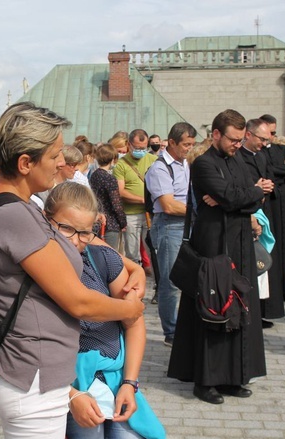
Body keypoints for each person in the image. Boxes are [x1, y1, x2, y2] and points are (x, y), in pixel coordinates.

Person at [0, 101, 145, 439]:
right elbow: (77, 299)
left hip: (33, 370)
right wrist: (130, 309)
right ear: (24, 163)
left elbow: (65, 242)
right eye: (54, 155)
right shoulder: (14, 214)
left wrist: (125, 262)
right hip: (33, 373)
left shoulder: (16, 205)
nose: (62, 163)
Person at [46, 183, 166, 439]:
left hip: (114, 381)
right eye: (66, 229)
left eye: (85, 232)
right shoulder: (38, 269)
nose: (76, 241)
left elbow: (134, 322)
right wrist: (69, 395)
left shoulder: (102, 259)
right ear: (46, 220)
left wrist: (130, 383)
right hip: (69, 386)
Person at [168, 109, 269, 405]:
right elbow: (232, 195)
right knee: (213, 308)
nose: (238, 145)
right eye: (233, 139)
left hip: (240, 244)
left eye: (241, 139)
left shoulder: (239, 160)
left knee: (241, 306)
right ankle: (206, 380)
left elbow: (252, 196)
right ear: (216, 134)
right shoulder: (203, 164)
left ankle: (234, 376)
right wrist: (241, 195)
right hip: (213, 244)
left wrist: (243, 195)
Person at [145, 122, 196, 346]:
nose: (189, 148)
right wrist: (198, 212)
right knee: (170, 281)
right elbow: (168, 205)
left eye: (192, 144)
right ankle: (171, 332)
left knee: (190, 279)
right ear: (172, 142)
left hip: (188, 224)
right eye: (186, 144)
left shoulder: (186, 164)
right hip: (169, 225)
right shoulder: (159, 168)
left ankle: (186, 326)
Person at [240, 119, 281, 328]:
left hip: (262, 211)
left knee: (262, 262)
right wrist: (256, 188)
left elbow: (271, 176)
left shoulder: (262, 155)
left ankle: (260, 311)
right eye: (262, 139)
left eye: (267, 139)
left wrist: (267, 186)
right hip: (247, 214)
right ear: (248, 134)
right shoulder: (238, 157)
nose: (264, 143)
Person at [260, 114, 285, 302]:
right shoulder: (259, 151)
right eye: (270, 132)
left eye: (275, 132)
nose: (272, 136)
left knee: (284, 246)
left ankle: (284, 289)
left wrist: (272, 168)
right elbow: (262, 169)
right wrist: (277, 168)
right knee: (269, 247)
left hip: (283, 204)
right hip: (267, 203)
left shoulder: (282, 148)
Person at [114, 129, 156, 263]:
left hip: (151, 213)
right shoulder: (121, 164)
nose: (141, 151)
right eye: (137, 148)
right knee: (132, 252)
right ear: (129, 144)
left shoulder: (154, 160)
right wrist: (142, 199)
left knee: (153, 250)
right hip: (131, 214)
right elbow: (120, 191)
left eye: (144, 148)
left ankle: (156, 280)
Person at [90, 144, 126, 251]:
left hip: (97, 220)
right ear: (113, 159)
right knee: (111, 254)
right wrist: (123, 222)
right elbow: (116, 204)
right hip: (110, 223)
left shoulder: (94, 175)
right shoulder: (109, 178)